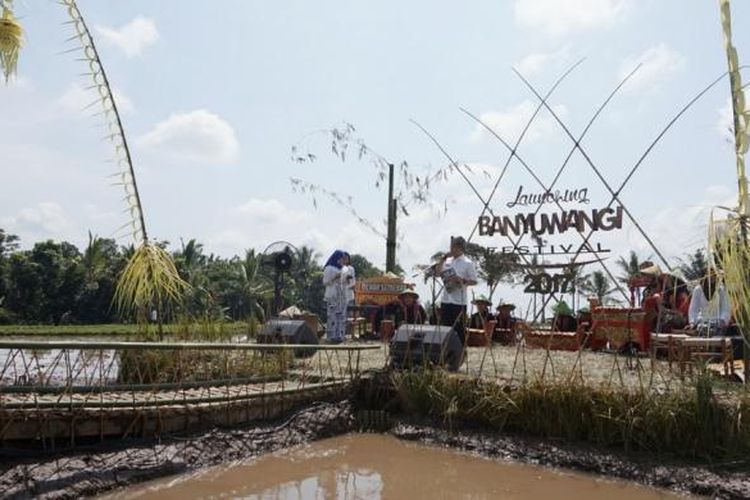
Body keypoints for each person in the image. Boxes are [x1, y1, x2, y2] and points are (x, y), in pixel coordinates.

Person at [435, 236, 478, 345]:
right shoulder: (447, 261)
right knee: (445, 328)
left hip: (459, 302)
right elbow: (437, 272)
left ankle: (460, 352)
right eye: (451, 246)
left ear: (460, 248)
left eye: (453, 247)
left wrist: (461, 280)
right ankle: (445, 352)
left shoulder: (468, 263)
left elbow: (474, 281)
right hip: (446, 299)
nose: (451, 249)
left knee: (459, 329)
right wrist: (442, 259)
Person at [323, 250, 348, 343]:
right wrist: (335, 277)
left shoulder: (343, 269)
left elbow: (345, 283)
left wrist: (346, 279)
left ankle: (339, 336)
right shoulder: (329, 268)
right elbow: (325, 282)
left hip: (341, 296)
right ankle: (331, 336)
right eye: (341, 258)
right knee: (332, 316)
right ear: (336, 258)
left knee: (341, 316)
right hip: (332, 295)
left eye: (343, 259)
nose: (342, 260)